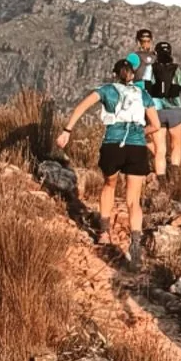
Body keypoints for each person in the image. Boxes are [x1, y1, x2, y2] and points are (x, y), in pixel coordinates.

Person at [54, 59, 161, 264]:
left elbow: (82, 107)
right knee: (133, 199)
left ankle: (104, 233)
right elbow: (155, 125)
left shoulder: (106, 90)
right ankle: (135, 243)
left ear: (115, 74)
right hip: (137, 148)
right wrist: (140, 132)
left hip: (113, 145)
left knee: (109, 185)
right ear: (132, 76)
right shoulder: (143, 95)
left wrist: (67, 130)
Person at [145, 41, 181, 181]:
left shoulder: (151, 69)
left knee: (160, 149)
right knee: (176, 145)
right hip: (175, 111)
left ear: (156, 53)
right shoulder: (177, 69)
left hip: (156, 112)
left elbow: (146, 91)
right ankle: (174, 178)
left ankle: (161, 182)